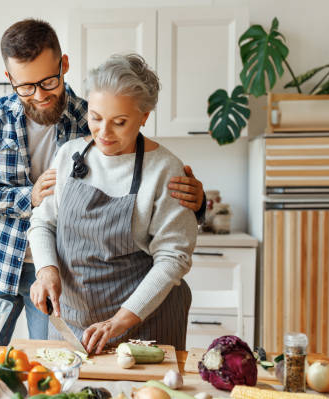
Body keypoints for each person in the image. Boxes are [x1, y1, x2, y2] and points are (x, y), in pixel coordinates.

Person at [0, 19, 204, 346]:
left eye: (48, 81)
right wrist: (27, 197)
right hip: (2, 261)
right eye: (26, 86)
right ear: (10, 79)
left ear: (64, 65)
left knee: (48, 363)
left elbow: (161, 223)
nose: (39, 95)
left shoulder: (93, 112)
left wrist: (196, 205)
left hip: (72, 280)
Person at [28, 53, 197, 353]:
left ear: (144, 117)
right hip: (74, 323)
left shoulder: (164, 170)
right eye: (95, 118)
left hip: (145, 325)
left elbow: (173, 257)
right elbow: (43, 222)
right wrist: (47, 271)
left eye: (119, 122)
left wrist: (119, 321)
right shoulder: (69, 155)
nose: (104, 133)